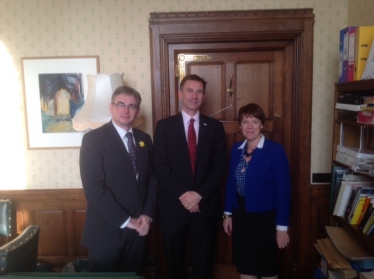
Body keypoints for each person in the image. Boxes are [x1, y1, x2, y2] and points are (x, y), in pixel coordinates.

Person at [153, 74, 228, 279]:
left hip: (205, 209)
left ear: (203, 96)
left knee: (203, 266)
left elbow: (220, 166)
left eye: (199, 91)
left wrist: (198, 195)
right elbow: (159, 166)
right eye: (189, 90)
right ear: (180, 94)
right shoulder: (164, 127)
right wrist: (185, 196)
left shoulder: (214, 127)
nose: (194, 96)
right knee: (174, 266)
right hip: (173, 209)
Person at [79, 85, 158, 273]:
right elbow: (94, 189)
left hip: (138, 231)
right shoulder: (93, 140)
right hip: (106, 232)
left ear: (137, 111)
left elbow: (152, 180)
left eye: (132, 106)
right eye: (121, 104)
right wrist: (125, 220)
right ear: (111, 107)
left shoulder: (144, 139)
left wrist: (147, 214)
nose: (126, 110)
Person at [222, 103, 291, 279]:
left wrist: (281, 228)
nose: (250, 126)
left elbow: (284, 192)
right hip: (241, 218)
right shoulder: (236, 150)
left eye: (254, 121)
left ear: (262, 124)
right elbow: (230, 183)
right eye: (245, 122)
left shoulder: (275, 151)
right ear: (240, 125)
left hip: (265, 220)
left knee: (267, 270)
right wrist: (227, 214)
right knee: (246, 268)